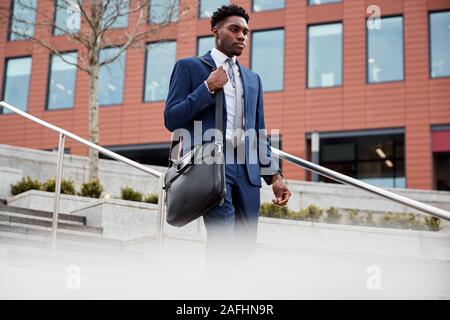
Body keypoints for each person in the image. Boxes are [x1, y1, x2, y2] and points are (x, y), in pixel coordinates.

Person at [164, 4, 291, 268]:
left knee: (246, 247)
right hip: (212, 167)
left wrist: (275, 176)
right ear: (216, 31)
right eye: (234, 29)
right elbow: (171, 118)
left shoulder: (253, 79)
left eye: (245, 31)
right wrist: (207, 88)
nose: (242, 36)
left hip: (248, 170)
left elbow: (259, 133)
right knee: (223, 240)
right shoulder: (189, 67)